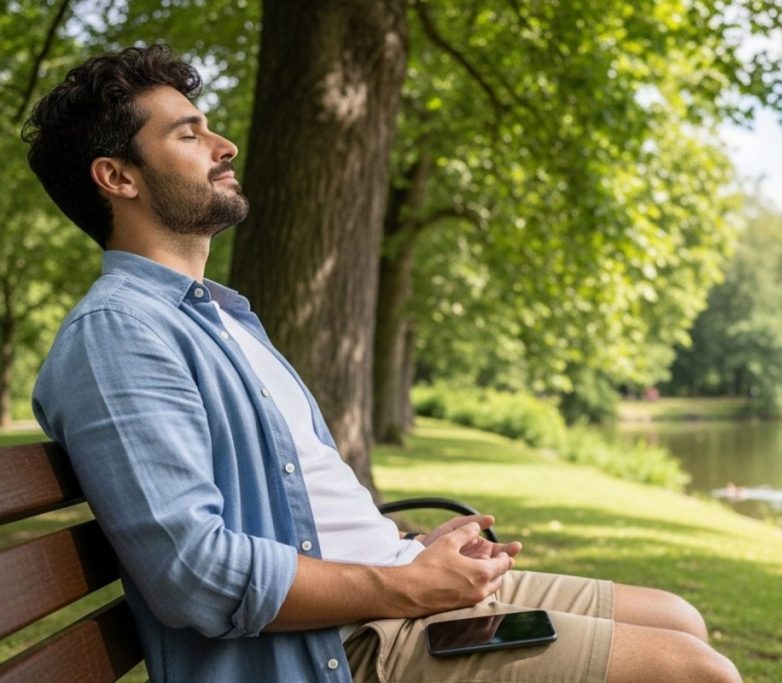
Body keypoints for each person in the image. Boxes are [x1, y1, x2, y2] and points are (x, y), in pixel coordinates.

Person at [23, 44, 741, 683]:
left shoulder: (220, 316)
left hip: (389, 588)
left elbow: (299, 504)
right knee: (693, 671)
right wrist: (408, 586)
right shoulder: (120, 333)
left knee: (679, 617)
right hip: (335, 643)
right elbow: (195, 572)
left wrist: (401, 546)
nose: (225, 143)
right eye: (189, 132)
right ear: (118, 176)